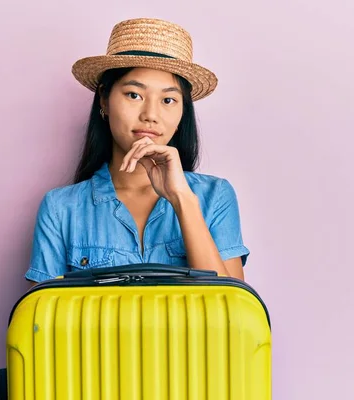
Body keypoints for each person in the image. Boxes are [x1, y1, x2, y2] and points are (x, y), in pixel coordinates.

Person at [25, 18, 249, 285]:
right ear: (104, 100)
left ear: (182, 113)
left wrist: (181, 199)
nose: (151, 115)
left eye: (168, 100)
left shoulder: (215, 197)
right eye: (134, 95)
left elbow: (233, 311)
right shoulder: (61, 208)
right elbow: (40, 318)